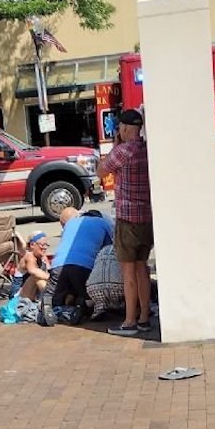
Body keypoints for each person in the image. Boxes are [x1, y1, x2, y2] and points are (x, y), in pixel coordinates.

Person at [98, 108, 152, 336]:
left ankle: (129, 321)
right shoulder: (146, 149)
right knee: (142, 268)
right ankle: (144, 317)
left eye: (120, 127)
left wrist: (116, 143)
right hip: (146, 218)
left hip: (127, 218)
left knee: (128, 272)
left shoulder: (122, 151)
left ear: (125, 128)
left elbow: (101, 171)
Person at [40, 208, 114, 325]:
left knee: (53, 292)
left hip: (58, 264)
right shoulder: (103, 223)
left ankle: (48, 304)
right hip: (84, 266)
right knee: (83, 290)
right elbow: (108, 251)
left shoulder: (71, 223)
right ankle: (82, 304)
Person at [9, 231, 50, 301]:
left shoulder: (42, 257)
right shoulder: (29, 256)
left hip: (32, 293)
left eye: (46, 245)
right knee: (36, 277)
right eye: (42, 245)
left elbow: (50, 271)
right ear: (32, 245)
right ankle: (50, 300)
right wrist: (52, 279)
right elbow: (33, 270)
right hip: (17, 297)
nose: (45, 248)